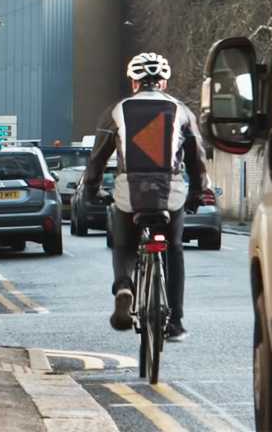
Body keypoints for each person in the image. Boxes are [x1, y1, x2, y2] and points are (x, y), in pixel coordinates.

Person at [81, 52, 207, 342]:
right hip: (170, 191)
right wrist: (199, 190)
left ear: (134, 82)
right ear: (163, 82)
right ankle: (175, 322)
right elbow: (197, 157)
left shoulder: (117, 111)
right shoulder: (182, 111)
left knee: (124, 245)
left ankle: (124, 285)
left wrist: (92, 189)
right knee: (174, 249)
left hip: (129, 191)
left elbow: (97, 158)